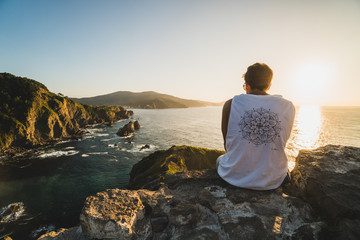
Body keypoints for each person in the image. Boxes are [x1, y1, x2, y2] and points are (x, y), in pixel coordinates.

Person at [216, 63, 295, 190]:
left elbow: (227, 147)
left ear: (246, 84)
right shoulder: (288, 106)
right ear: (269, 85)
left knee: (220, 159)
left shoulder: (230, 104)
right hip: (274, 179)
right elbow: (281, 143)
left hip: (234, 177)